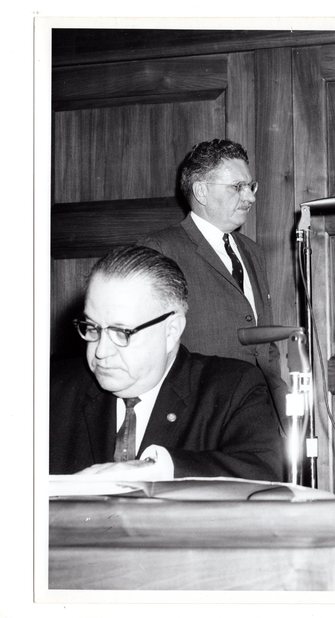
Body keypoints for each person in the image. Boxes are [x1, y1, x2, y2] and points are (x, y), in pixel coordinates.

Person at [50, 245, 285, 481]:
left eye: (121, 332)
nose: (100, 351)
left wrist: (160, 469)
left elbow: (263, 475)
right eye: (92, 328)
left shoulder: (233, 389)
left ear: (171, 331)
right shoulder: (52, 389)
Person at [139, 139, 287, 416]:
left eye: (251, 186)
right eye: (237, 187)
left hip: (260, 414)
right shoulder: (161, 249)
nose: (250, 197)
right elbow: (150, 347)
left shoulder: (253, 252)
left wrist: (284, 414)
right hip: (200, 415)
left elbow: (266, 349)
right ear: (202, 191)